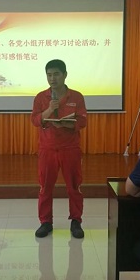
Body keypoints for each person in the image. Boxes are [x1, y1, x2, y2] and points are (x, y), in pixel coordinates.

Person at [31, 59, 87, 239]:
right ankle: (45, 222)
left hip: (70, 148)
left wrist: (67, 124)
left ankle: (76, 221)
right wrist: (49, 110)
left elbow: (83, 121)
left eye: (56, 74)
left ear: (65, 75)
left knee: (74, 187)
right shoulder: (41, 97)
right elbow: (35, 120)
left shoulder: (76, 96)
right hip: (47, 148)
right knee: (45, 187)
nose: (52, 78)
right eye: (49, 75)